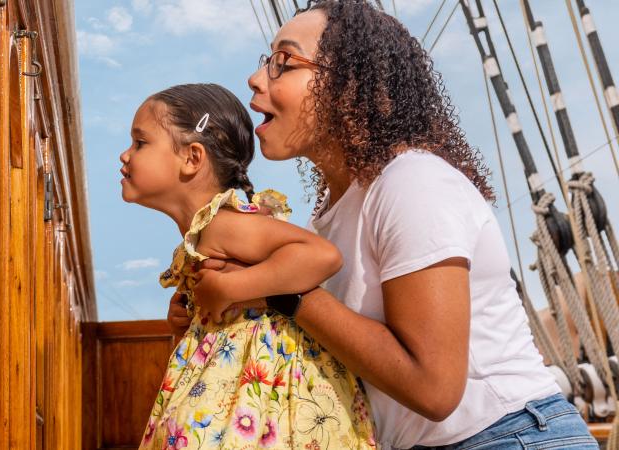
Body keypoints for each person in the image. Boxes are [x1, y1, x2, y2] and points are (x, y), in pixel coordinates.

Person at [170, 1, 600, 449]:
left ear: (350, 86)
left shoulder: (412, 182)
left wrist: (280, 288)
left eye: (284, 62)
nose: (256, 79)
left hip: (509, 435)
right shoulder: (336, 214)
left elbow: (434, 390)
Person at [122, 83, 376, 449]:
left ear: (193, 158)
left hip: (274, 403)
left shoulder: (223, 223)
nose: (125, 155)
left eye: (140, 143)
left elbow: (322, 256)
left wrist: (229, 288)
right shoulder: (204, 232)